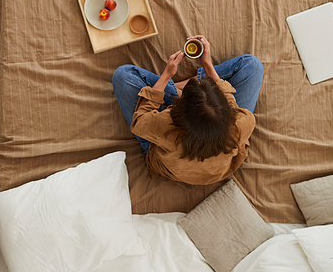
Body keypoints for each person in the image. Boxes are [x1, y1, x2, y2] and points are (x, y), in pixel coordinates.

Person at [112, 36, 263, 185]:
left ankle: (176, 90)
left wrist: (166, 76)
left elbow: (139, 121)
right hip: (221, 170)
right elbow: (230, 102)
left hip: (170, 164)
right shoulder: (242, 123)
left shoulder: (165, 125)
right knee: (252, 65)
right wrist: (207, 65)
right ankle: (188, 85)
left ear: (177, 108)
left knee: (123, 76)